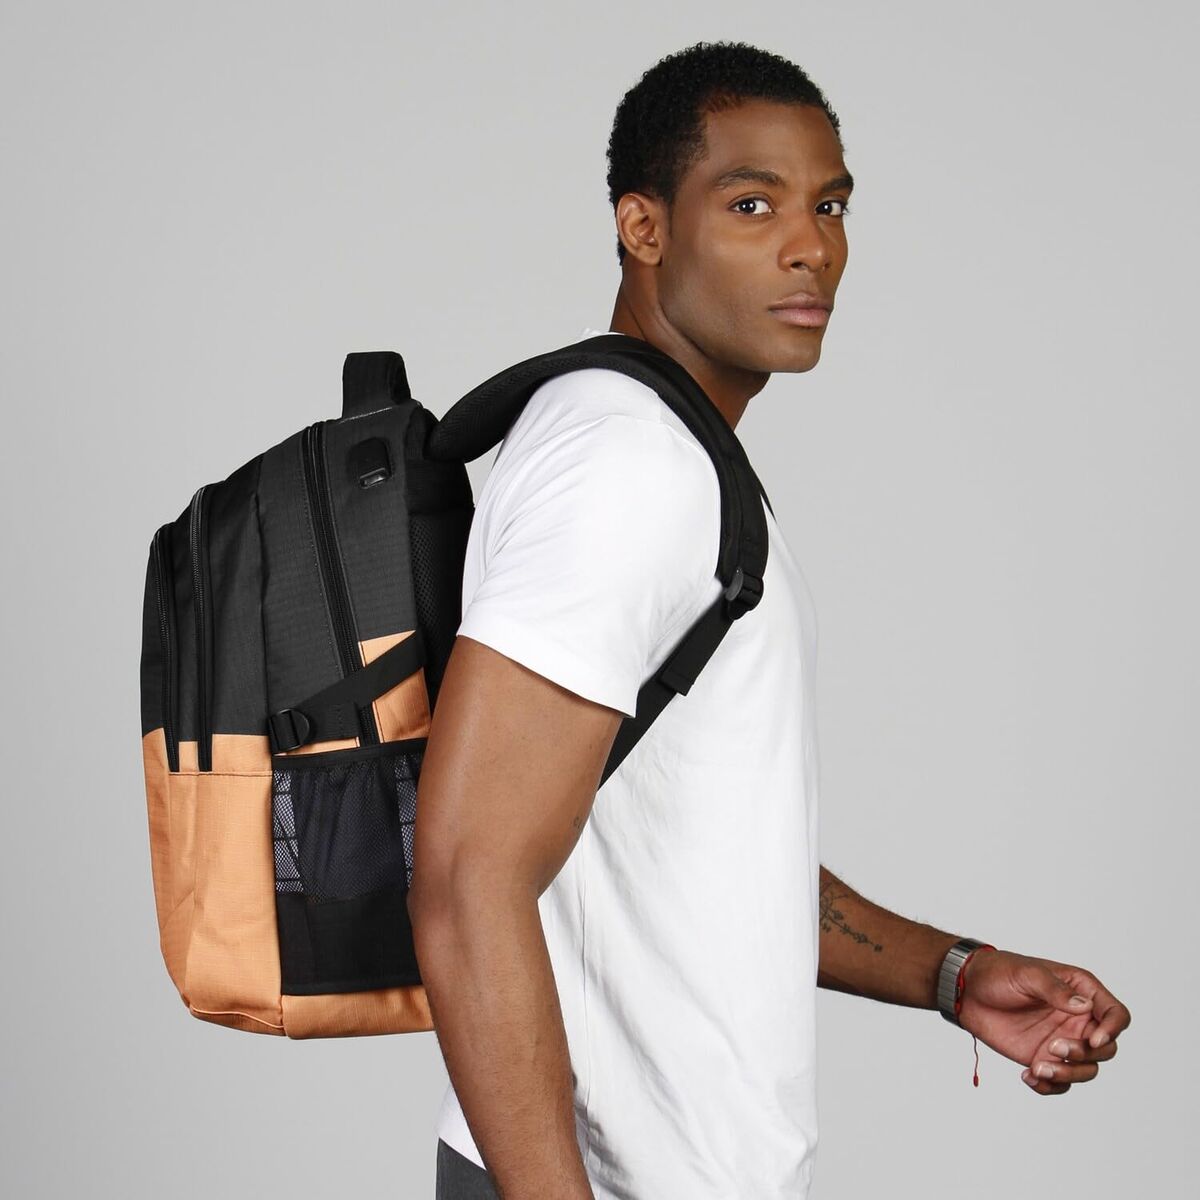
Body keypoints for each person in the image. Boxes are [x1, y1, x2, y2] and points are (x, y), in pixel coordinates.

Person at [406, 40, 1131, 1200]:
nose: (812, 246)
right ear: (644, 227)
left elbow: (695, 849)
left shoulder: (676, 456)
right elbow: (465, 878)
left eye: (829, 205)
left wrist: (953, 974)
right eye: (753, 203)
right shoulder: (626, 463)